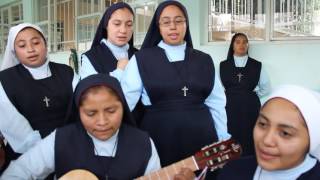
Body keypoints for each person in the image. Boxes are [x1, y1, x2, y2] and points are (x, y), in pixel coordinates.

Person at [120, 1, 230, 177]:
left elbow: (216, 103)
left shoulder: (204, 60)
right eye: (166, 22)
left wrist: (222, 137)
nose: (173, 27)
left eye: (179, 21)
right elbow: (125, 102)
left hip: (202, 140)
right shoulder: (141, 59)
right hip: (158, 138)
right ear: (158, 26)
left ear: (186, 24)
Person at [0, 74, 161, 179]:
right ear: (79, 112)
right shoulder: (61, 139)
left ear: (123, 107)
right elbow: (18, 172)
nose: (102, 121)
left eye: (111, 111)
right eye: (91, 113)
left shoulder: (143, 144)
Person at [0, 23, 78, 173]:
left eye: (36, 42)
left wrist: (72, 142)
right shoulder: (4, 81)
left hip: (70, 148)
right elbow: (14, 126)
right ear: (14, 51)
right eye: (22, 46)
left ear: (45, 44)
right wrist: (48, 152)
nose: (30, 49)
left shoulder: (67, 72)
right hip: (27, 158)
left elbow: (82, 106)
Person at [217, 85, 320, 180]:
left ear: (312, 140)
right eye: (262, 124)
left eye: (285, 133)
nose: (266, 140)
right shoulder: (233, 170)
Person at [219, 32, 271, 156]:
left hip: (250, 107)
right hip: (229, 106)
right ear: (232, 45)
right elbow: (219, 89)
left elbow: (266, 87)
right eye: (238, 42)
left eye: (244, 42)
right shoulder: (223, 65)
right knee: (231, 134)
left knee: (250, 133)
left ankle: (250, 161)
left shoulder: (257, 65)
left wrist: (252, 94)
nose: (241, 45)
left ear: (248, 45)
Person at [79, 2, 137, 81]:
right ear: (106, 25)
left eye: (129, 24)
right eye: (117, 24)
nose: (123, 30)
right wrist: (119, 72)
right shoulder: (90, 58)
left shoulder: (140, 55)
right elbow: (91, 90)